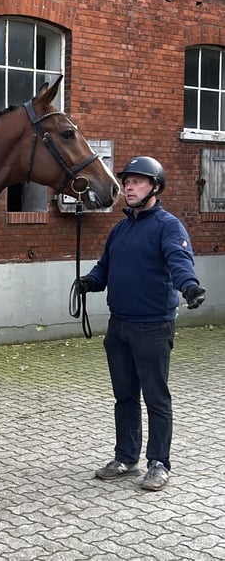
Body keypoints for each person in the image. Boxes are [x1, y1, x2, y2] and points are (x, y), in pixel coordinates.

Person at [78, 156, 206, 491]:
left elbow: (179, 260)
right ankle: (125, 457)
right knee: (124, 397)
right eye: (128, 181)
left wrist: (189, 286)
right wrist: (89, 281)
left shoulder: (168, 226)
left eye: (137, 182)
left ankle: (159, 463)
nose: (129, 187)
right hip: (119, 326)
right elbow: (104, 268)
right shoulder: (120, 230)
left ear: (155, 187)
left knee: (156, 398)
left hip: (152, 326)